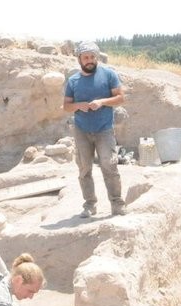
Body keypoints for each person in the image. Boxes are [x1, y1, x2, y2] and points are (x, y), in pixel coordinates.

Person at [63, 41, 127, 218]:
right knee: (84, 169)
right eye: (86, 57)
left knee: (110, 165)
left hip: (104, 129)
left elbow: (120, 98)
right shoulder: (73, 81)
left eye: (92, 57)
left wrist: (102, 102)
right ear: (79, 59)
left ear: (96, 57)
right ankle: (90, 205)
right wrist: (78, 105)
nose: (89, 60)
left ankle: (117, 203)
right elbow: (66, 107)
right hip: (81, 130)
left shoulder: (108, 75)